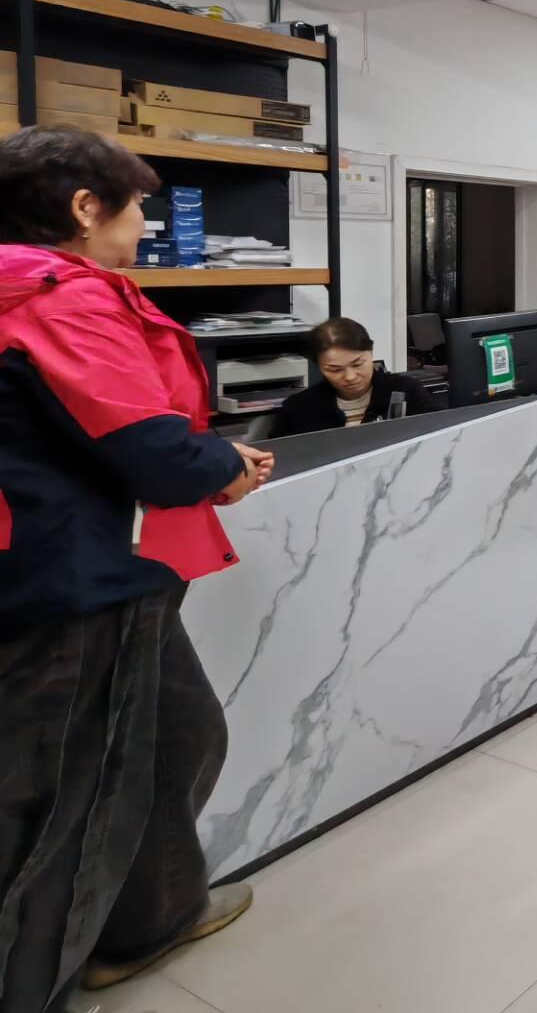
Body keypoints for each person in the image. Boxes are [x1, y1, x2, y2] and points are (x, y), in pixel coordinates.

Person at [0, 127, 272, 1013]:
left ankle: (148, 919)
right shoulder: (55, 297)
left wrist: (206, 458)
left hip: (98, 572)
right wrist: (218, 465)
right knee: (63, 808)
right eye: (137, 205)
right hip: (71, 583)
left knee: (181, 737)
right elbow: (146, 445)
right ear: (86, 208)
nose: (147, 224)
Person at [269, 317, 426, 437]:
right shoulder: (298, 409)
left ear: (371, 353)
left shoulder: (407, 390)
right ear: (318, 366)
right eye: (335, 370)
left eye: (358, 364)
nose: (350, 377)